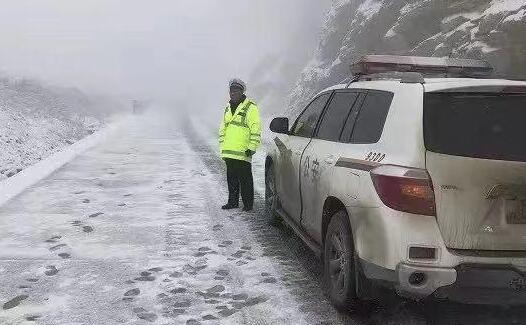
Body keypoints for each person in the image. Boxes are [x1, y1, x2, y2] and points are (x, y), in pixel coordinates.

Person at [219, 78, 261, 211]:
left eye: (236, 90)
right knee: (231, 179)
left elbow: (256, 128)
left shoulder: (250, 107)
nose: (233, 93)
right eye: (231, 90)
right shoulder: (227, 107)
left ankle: (248, 205)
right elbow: (223, 128)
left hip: (244, 152)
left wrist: (252, 147)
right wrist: (222, 147)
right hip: (229, 151)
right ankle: (232, 202)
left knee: (245, 180)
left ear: (242, 92)